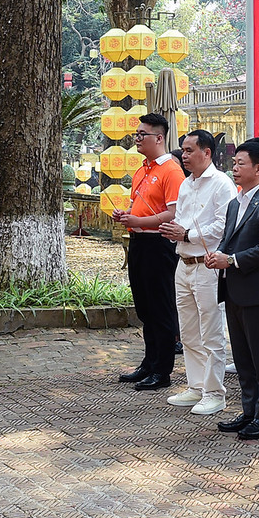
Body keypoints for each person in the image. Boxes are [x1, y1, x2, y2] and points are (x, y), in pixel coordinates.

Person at [206, 138, 259, 440]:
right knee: (242, 358)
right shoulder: (234, 203)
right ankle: (248, 410)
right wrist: (218, 256)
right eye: (234, 163)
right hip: (234, 290)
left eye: (240, 164)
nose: (234, 168)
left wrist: (233, 259)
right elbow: (228, 239)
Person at [158, 130, 236, 416]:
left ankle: (215, 392)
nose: (185, 155)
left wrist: (187, 234)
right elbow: (180, 219)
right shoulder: (186, 185)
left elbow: (222, 226)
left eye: (190, 150)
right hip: (184, 263)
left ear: (207, 152)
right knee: (189, 330)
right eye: (183, 150)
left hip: (208, 264)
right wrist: (175, 232)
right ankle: (196, 385)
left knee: (211, 331)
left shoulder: (222, 184)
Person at [113, 114, 185, 392]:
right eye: (136, 134)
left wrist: (139, 222)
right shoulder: (142, 170)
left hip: (159, 244)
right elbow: (141, 206)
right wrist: (128, 215)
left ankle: (162, 369)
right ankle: (149, 361)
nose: (137, 139)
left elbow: (172, 213)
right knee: (144, 306)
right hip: (140, 242)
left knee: (161, 307)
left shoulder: (171, 170)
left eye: (142, 134)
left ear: (159, 137)